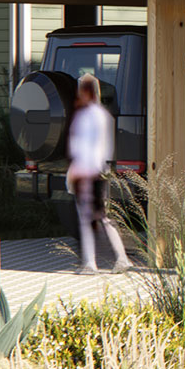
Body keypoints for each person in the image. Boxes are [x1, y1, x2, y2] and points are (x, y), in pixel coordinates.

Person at [66, 73, 132, 274]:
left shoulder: (89, 116)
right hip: (96, 171)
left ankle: (92, 263)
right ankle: (119, 259)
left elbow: (87, 147)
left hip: (89, 172)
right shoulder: (101, 115)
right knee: (100, 216)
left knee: (90, 217)